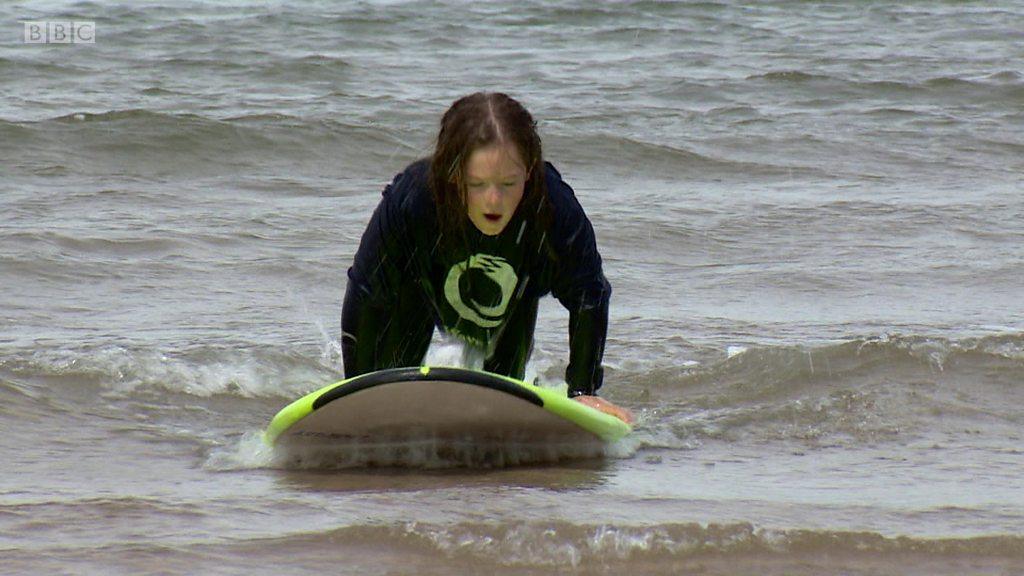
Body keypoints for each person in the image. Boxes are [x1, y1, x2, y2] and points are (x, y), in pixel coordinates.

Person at [341, 92, 631, 423]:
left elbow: (589, 295)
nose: (494, 201)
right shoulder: (413, 201)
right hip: (417, 291)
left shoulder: (552, 208)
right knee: (387, 390)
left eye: (508, 183)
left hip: (514, 299)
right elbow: (365, 292)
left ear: (530, 172)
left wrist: (584, 391)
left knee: (502, 400)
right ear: (453, 173)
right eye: (477, 184)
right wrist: (356, 391)